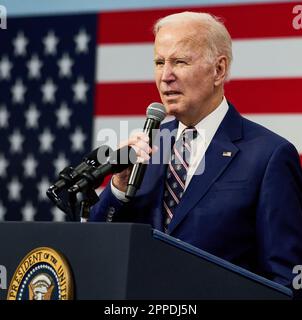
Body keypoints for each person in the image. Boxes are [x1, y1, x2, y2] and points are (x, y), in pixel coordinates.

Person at [90, 12, 302, 295]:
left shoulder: (269, 156)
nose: (166, 76)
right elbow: (99, 248)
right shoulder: (146, 149)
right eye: (159, 62)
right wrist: (117, 188)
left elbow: (285, 281)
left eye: (180, 61)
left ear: (219, 70)